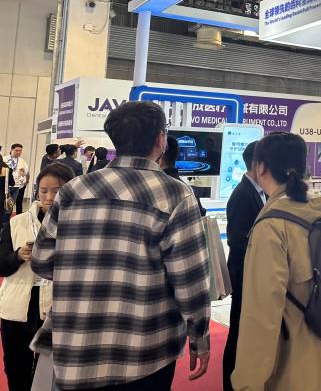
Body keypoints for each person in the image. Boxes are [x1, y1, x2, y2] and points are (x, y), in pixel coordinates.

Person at [31, 101, 210, 390]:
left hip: (76, 344)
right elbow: (190, 280)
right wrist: (199, 337)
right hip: (147, 350)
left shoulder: (74, 190)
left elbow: (42, 261)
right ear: (160, 139)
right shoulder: (176, 194)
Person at [232, 132, 321, 391]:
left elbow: (261, 316)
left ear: (260, 167)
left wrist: (247, 383)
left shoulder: (272, 226)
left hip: (298, 372)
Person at [0, 162, 73, 391]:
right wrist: (18, 255)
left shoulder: (77, 226)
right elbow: (1, 266)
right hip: (17, 309)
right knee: (16, 369)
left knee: (48, 375)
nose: (49, 197)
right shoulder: (17, 222)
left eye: (57, 191)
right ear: (36, 191)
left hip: (56, 309)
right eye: (44, 191)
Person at [222, 141, 264, 391]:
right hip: (243, 273)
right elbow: (237, 240)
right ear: (258, 165)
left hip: (252, 273)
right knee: (237, 331)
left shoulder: (258, 191)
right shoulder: (242, 195)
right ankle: (229, 382)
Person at [5, 144, 28, 216]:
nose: (18, 152)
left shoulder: (22, 161)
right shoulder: (5, 159)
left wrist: (24, 175)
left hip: (18, 186)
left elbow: (26, 173)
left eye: (20, 151)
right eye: (17, 150)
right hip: (6, 185)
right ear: (11, 150)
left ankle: (10, 218)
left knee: (13, 204)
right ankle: (5, 219)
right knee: (5, 203)